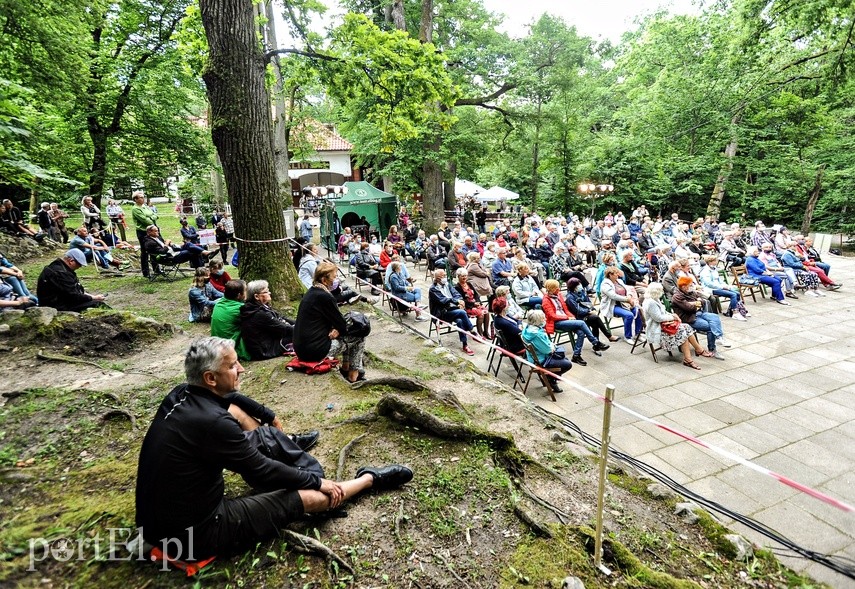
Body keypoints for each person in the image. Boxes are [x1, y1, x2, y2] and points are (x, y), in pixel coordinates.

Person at [135, 336, 412, 561]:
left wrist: (267, 414)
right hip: (195, 534)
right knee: (308, 496)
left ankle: (297, 455)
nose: (241, 368)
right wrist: (318, 482)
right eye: (232, 366)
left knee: (264, 434)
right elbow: (263, 470)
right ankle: (368, 479)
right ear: (210, 378)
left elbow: (234, 398)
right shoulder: (213, 423)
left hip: (155, 520)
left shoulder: (181, 394)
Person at [294, 261, 367, 382]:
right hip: (315, 351)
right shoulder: (325, 297)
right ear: (324, 280)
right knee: (359, 334)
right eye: (334, 277)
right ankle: (354, 374)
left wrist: (337, 329)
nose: (336, 279)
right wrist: (339, 329)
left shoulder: (311, 293)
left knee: (347, 334)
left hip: (302, 349)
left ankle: (346, 367)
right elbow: (343, 326)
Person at [642, 282, 712, 369]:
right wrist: (673, 317)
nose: (663, 292)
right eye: (661, 290)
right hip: (657, 329)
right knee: (683, 331)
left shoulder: (654, 299)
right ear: (656, 292)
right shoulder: (651, 302)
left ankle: (696, 351)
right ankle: (690, 358)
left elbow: (663, 312)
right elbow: (658, 318)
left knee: (686, 326)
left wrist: (673, 315)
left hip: (664, 325)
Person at [541, 279, 608, 365]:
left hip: (566, 319)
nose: (559, 289)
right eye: (556, 288)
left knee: (581, 332)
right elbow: (552, 316)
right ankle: (595, 342)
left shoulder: (559, 295)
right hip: (556, 322)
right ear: (551, 289)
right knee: (582, 323)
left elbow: (565, 309)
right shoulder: (546, 300)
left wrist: (570, 316)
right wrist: (567, 317)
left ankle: (576, 356)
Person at [671, 276, 726, 360]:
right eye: (690, 285)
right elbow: (689, 308)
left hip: (699, 313)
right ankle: (712, 349)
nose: (692, 286)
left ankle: (719, 337)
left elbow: (703, 302)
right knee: (710, 327)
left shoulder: (691, 292)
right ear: (683, 287)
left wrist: (694, 303)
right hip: (689, 318)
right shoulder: (677, 296)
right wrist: (696, 303)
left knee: (715, 317)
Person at [36, 249, 108, 312]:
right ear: (71, 261)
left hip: (59, 301)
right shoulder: (62, 273)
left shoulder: (57, 266)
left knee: (94, 301)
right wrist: (93, 298)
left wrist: (94, 297)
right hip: (57, 306)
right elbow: (74, 296)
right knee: (97, 304)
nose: (79, 267)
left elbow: (75, 290)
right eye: (79, 264)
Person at [240, 280, 296, 360]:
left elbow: (281, 317)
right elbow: (283, 328)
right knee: (299, 335)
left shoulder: (260, 306)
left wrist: (299, 323)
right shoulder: (259, 313)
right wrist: (303, 329)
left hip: (269, 342)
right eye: (266, 292)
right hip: (265, 350)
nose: (269, 293)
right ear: (256, 296)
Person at [428, 268, 477, 356]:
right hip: (442, 313)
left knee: (460, 321)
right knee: (462, 313)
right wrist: (456, 302)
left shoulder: (447, 284)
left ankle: (465, 345)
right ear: (437, 278)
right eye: (443, 276)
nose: (445, 277)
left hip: (453, 309)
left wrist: (459, 301)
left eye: (445, 275)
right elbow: (443, 300)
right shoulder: (433, 289)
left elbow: (457, 294)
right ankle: (472, 330)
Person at [521, 310, 571, 393]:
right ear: (537, 321)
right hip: (540, 360)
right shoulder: (537, 334)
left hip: (534, 357)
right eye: (543, 319)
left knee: (563, 358)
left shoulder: (527, 329)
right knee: (567, 364)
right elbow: (547, 350)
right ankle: (552, 379)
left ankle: (551, 378)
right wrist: (552, 346)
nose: (545, 320)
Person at [599, 266, 644, 344]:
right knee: (629, 315)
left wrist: (629, 296)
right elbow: (613, 296)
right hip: (613, 305)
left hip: (624, 303)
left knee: (638, 310)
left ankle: (638, 334)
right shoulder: (605, 284)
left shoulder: (619, 281)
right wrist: (627, 299)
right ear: (610, 275)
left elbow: (628, 289)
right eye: (616, 273)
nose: (618, 275)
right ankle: (628, 336)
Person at [564, 277, 618, 342]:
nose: (580, 286)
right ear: (573, 286)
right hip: (579, 317)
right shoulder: (570, 297)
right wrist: (589, 312)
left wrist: (593, 309)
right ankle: (608, 336)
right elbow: (577, 310)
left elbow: (588, 302)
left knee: (595, 322)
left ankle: (597, 343)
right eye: (578, 285)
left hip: (587, 315)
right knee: (595, 318)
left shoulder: (582, 292)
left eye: (580, 284)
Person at [210, 280, 251, 361]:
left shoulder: (219, 303)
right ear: (239, 295)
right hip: (230, 346)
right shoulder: (240, 308)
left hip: (216, 345)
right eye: (245, 290)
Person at [454, 267, 490, 338]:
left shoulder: (469, 284)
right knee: (481, 314)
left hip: (475, 304)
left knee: (487, 312)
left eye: (465, 276)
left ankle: (486, 332)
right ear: (458, 277)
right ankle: (479, 334)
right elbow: (462, 300)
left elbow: (476, 295)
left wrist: (478, 302)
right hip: (467, 307)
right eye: (462, 276)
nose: (464, 277)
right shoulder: (457, 287)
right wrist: (473, 304)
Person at [131, 191, 158, 278]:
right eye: (141, 197)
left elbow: (154, 215)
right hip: (143, 231)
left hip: (152, 230)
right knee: (145, 251)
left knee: (155, 249)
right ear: (136, 199)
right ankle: (146, 272)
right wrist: (151, 219)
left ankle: (156, 269)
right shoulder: (135, 209)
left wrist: (152, 217)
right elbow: (145, 220)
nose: (143, 199)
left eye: (143, 197)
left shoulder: (145, 206)